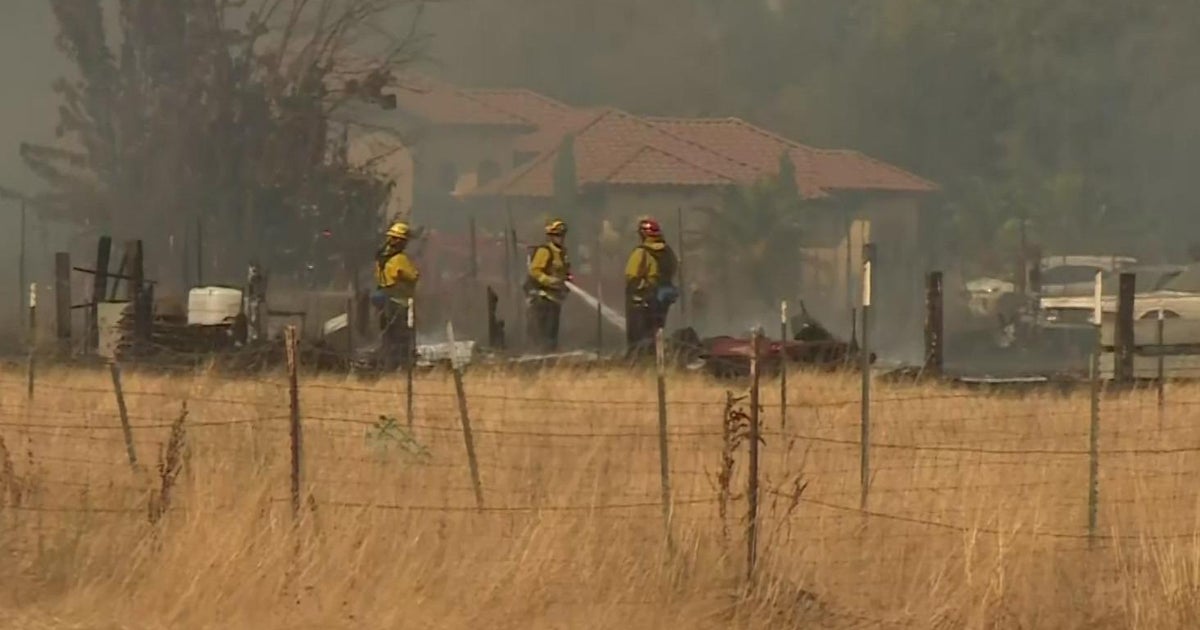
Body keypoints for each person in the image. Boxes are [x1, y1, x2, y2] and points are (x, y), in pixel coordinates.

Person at [624, 217, 679, 356]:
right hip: (663, 298)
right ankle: (657, 356)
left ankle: (640, 359)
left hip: (643, 300)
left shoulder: (641, 252)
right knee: (657, 329)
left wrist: (639, 290)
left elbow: (631, 275)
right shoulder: (668, 251)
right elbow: (674, 269)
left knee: (639, 334)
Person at [374, 221, 420, 370]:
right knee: (403, 336)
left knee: (388, 336)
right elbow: (413, 275)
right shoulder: (400, 258)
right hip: (400, 302)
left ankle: (388, 365)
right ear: (400, 240)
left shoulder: (381, 257)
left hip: (384, 302)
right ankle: (402, 366)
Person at [525, 219, 572, 353]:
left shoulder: (562, 253)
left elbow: (563, 271)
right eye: (557, 235)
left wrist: (567, 279)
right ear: (550, 236)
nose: (560, 238)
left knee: (553, 330)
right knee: (545, 331)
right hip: (542, 298)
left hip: (555, 298)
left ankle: (551, 353)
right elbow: (534, 271)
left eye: (562, 235)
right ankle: (542, 355)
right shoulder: (545, 251)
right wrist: (550, 281)